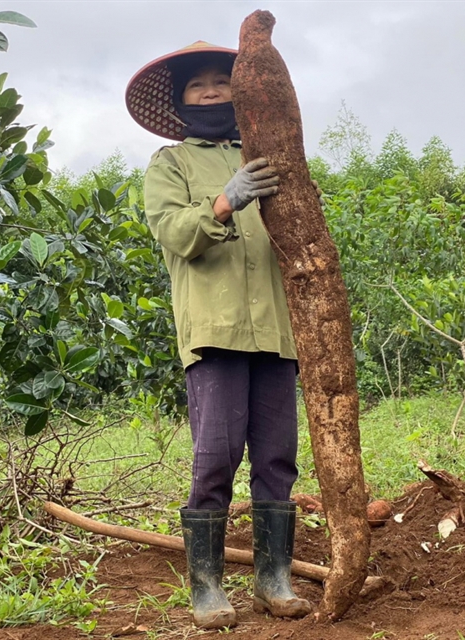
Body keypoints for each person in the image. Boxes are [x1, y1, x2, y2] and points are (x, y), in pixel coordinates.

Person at [126, 41, 312, 629]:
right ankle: (206, 586)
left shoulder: (272, 157)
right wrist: (225, 201)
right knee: (215, 459)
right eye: (198, 85)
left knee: (278, 459)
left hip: (278, 334)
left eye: (221, 82)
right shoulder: (169, 165)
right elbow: (176, 233)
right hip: (215, 333)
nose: (212, 92)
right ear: (182, 103)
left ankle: (273, 578)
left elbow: (304, 232)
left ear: (240, 93)